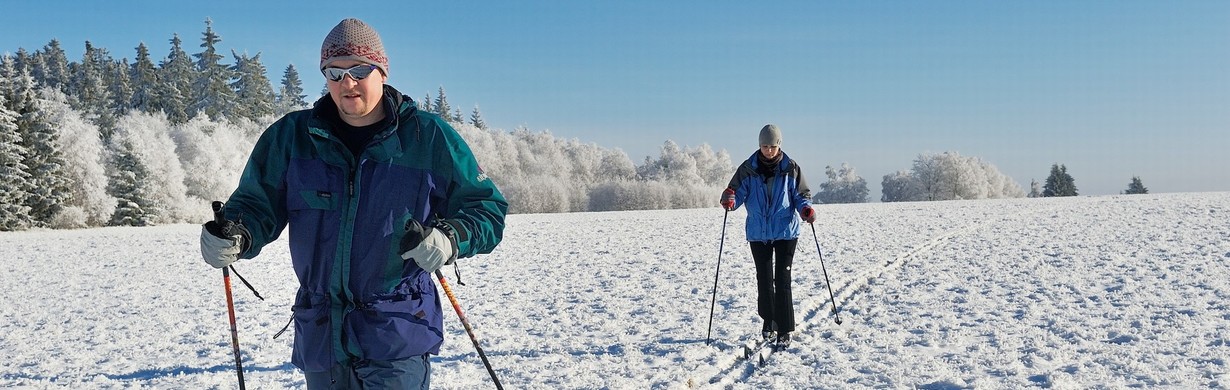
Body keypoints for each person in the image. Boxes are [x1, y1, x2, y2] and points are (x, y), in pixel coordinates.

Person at [199, 18, 507, 389]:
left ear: (382, 71)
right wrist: (236, 233)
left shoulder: (428, 137)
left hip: (397, 330)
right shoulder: (292, 137)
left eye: (359, 70)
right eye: (334, 72)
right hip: (321, 335)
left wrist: (449, 237)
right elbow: (256, 203)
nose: (347, 83)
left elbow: (485, 208)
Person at [719, 124, 814, 348]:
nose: (768, 151)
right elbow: (735, 192)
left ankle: (784, 328)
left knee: (782, 280)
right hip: (758, 232)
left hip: (785, 232)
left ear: (779, 145)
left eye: (772, 146)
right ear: (759, 145)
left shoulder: (791, 168)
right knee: (764, 279)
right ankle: (769, 322)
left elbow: (801, 195)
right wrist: (729, 200)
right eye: (764, 146)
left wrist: (805, 209)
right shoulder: (747, 169)